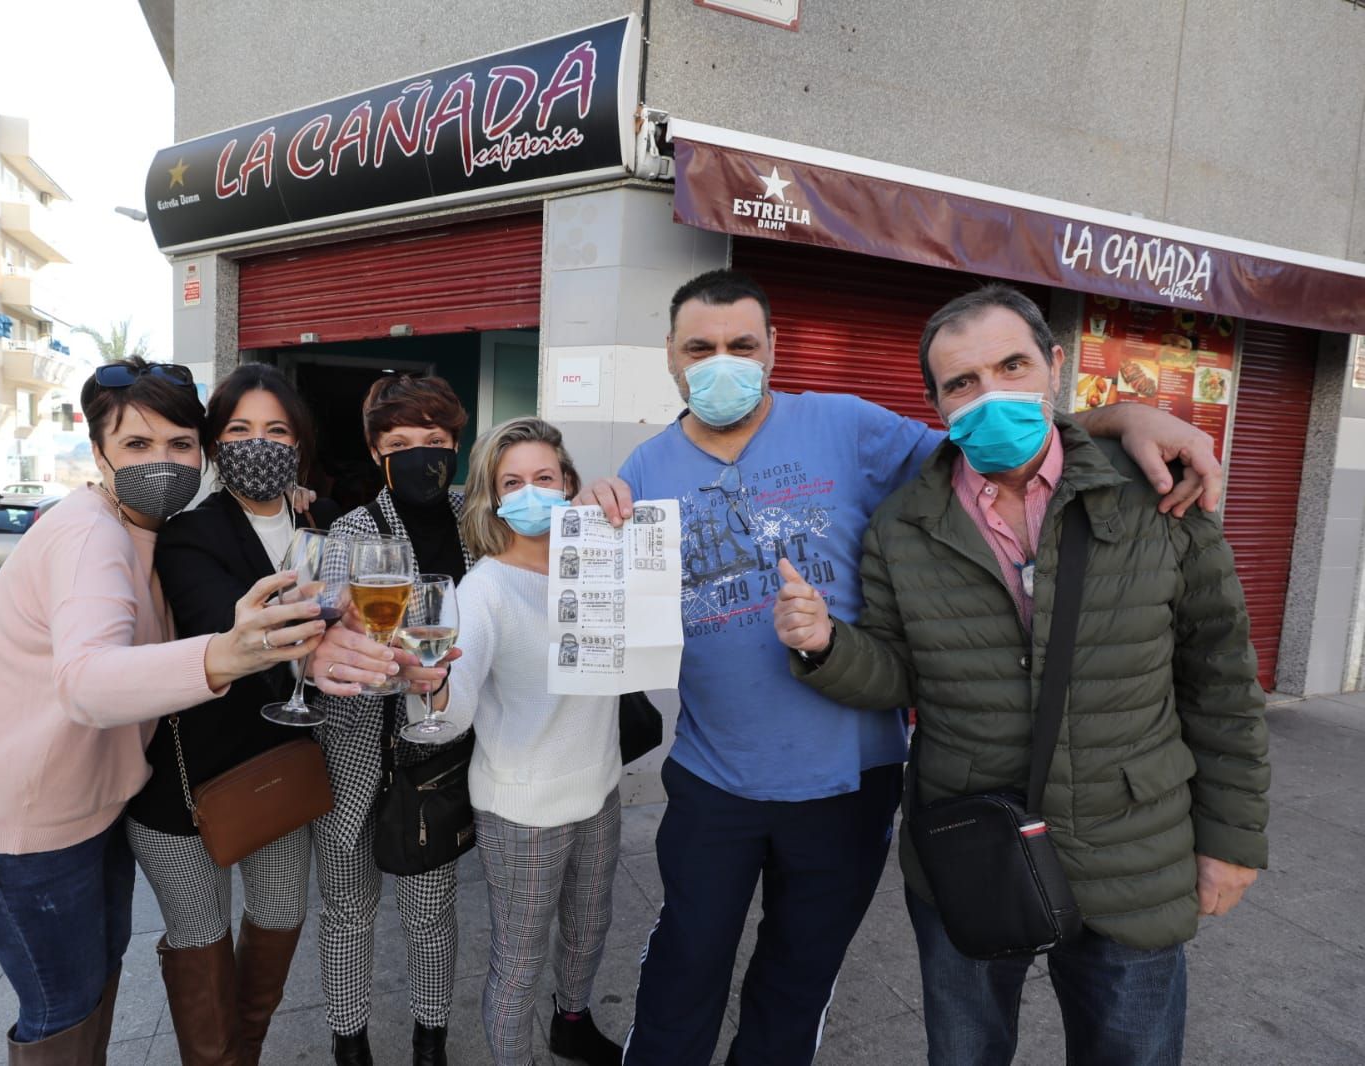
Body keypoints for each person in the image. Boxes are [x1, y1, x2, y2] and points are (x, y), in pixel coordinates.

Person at [574, 270, 1231, 1066]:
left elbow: (991, 443)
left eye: (742, 345)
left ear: (773, 349)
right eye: (701, 348)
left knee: (797, 978)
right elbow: (582, 597)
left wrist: (1127, 413)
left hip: (851, 783)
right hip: (715, 778)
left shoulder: (847, 426)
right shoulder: (643, 471)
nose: (723, 363)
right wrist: (577, 517)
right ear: (671, 359)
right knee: (684, 968)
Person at [774, 284, 1269, 1065]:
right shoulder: (903, 524)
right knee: (965, 1051)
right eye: (961, 383)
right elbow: (899, 673)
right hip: (973, 842)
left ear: (1055, 365)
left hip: (1131, 846)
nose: (990, 394)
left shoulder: (1155, 496)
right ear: (935, 402)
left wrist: (1232, 839)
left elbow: (1221, 682)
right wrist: (824, 645)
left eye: (1011, 365)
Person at [0, 358, 325, 1065]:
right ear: (97, 449)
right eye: (136, 445)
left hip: (81, 812)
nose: (161, 462)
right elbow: (87, 682)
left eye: (178, 444)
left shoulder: (147, 526)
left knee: (89, 999)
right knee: (64, 1013)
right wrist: (223, 657)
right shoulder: (90, 535)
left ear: (204, 455)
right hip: (12, 828)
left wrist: (288, 504)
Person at [125, 363, 328, 1064]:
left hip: (274, 771)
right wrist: (314, 635)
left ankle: (242, 1053)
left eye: (275, 430)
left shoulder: (315, 523)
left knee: (278, 919)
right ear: (214, 446)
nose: (257, 443)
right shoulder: (190, 532)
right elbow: (222, 625)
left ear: (298, 444)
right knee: (200, 942)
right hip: (184, 787)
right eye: (238, 429)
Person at [426, 417, 624, 1066]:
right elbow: (450, 710)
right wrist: (424, 688)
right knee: (519, 961)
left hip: (598, 786)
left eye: (545, 477)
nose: (530, 492)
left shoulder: (599, 564)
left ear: (568, 483)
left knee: (589, 931)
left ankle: (571, 1019)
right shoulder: (482, 591)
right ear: (490, 496)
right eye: (513, 482)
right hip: (521, 810)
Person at [304, 374, 468, 1066]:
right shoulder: (352, 532)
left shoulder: (475, 520)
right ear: (376, 453)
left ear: (455, 445)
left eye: (434, 441)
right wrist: (386, 660)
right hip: (352, 752)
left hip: (433, 754)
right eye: (400, 443)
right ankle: (350, 1043)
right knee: (347, 908)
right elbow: (341, 639)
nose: (419, 455)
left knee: (432, 908)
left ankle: (430, 1040)